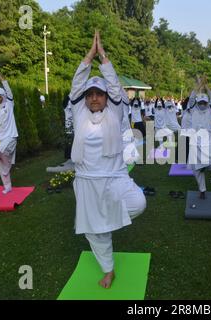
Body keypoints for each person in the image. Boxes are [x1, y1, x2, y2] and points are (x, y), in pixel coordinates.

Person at [69, 31, 146, 289]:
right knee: (94, 231)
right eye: (89, 94)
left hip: (114, 177)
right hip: (86, 181)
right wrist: (86, 59)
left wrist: (102, 57)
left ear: (105, 98)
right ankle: (108, 269)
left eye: (98, 94)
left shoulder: (115, 112)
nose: (93, 98)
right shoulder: (79, 113)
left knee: (139, 202)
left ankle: (110, 220)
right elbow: (76, 86)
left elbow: (114, 88)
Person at [187, 77, 211, 199]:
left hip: (208, 143)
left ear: (207, 103)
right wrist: (198, 86)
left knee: (207, 165)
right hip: (195, 143)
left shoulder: (210, 109)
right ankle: (202, 189)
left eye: (204, 103)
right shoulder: (193, 109)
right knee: (195, 169)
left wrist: (206, 87)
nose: (202, 105)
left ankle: (207, 167)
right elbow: (191, 98)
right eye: (200, 103)